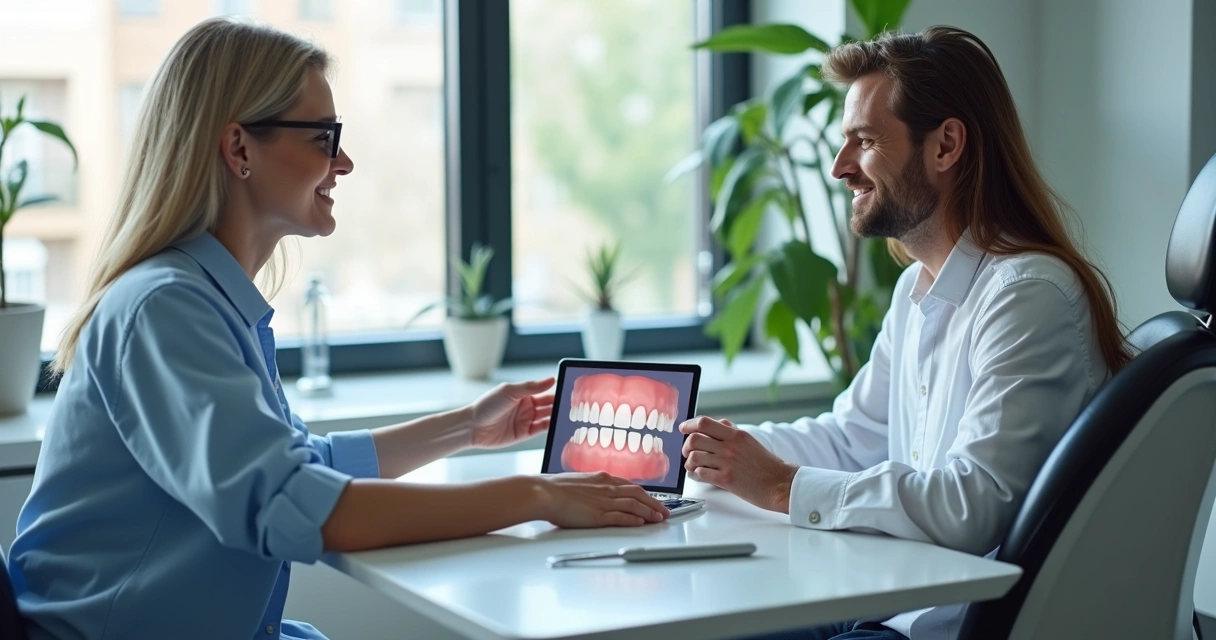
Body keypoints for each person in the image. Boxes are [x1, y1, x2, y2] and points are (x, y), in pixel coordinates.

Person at [6, 17, 669, 640]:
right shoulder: (165, 309)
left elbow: (301, 466)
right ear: (239, 147)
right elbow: (299, 503)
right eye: (323, 137)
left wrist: (468, 426)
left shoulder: (206, 301)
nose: (344, 162)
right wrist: (537, 494)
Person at [680, 26, 1130, 640]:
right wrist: (714, 451)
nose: (840, 167)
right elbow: (851, 438)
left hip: (949, 627)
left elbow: (972, 504)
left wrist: (781, 486)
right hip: (890, 606)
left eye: (865, 141)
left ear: (946, 146)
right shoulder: (915, 288)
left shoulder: (1028, 294)